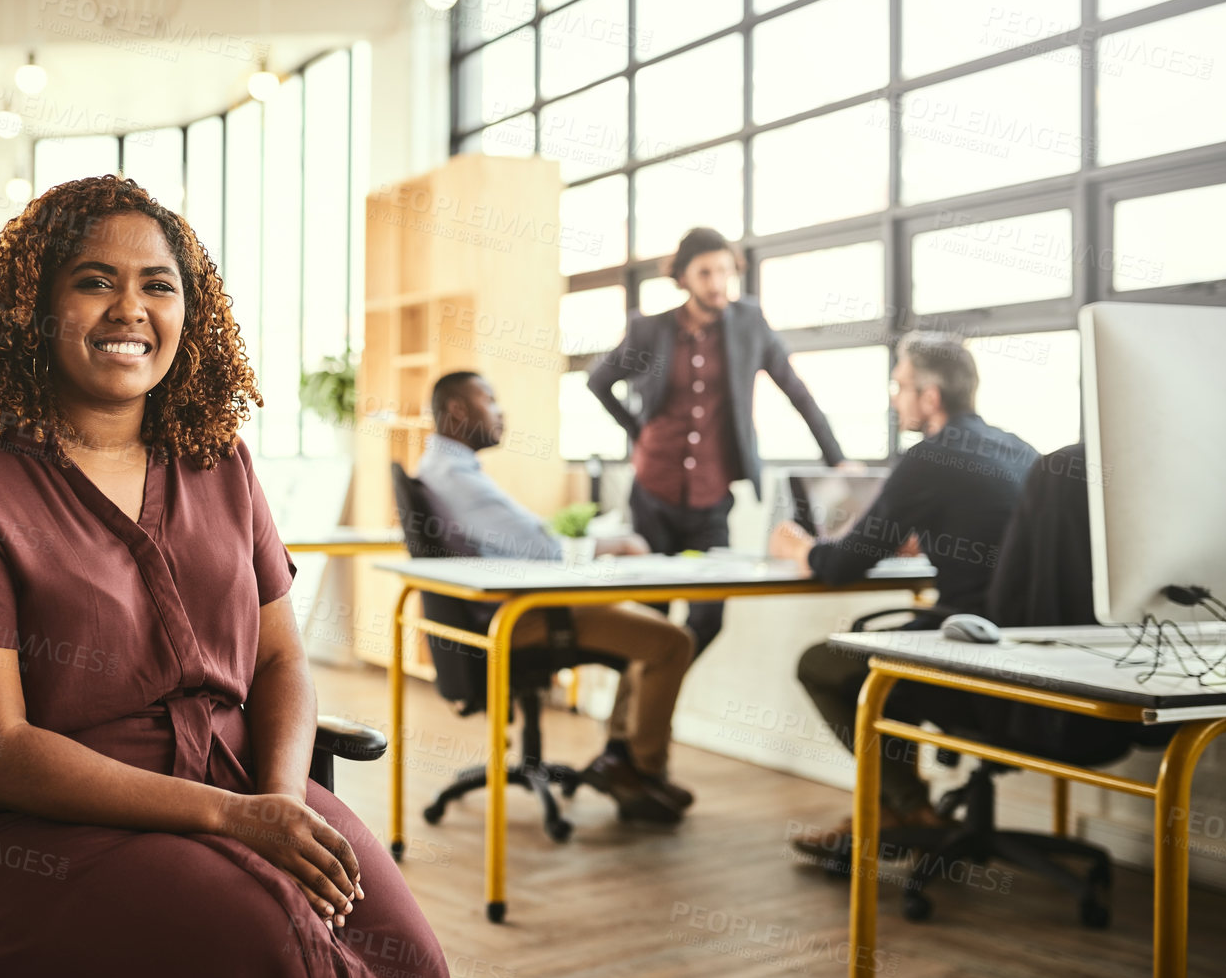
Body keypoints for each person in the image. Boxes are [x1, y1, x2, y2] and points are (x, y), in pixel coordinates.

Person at [0, 175, 464, 978]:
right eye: (94, 280)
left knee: (409, 962)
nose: (129, 309)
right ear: (33, 304)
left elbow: (281, 659)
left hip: (240, 783)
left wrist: (281, 801)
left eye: (158, 284)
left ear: (190, 311)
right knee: (274, 952)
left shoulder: (219, 460)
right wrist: (236, 818)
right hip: (19, 833)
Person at [769, 331, 1038, 859]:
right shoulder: (1019, 448)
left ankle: (909, 808)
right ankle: (889, 814)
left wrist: (800, 548)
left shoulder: (931, 456)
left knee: (823, 665)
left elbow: (843, 566)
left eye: (900, 386)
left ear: (930, 398)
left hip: (967, 650)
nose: (896, 399)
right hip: (1028, 650)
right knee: (891, 656)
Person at [417, 371, 696, 825]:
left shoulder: (446, 469)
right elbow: (542, 548)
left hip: (513, 608)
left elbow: (524, 539)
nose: (500, 410)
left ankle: (624, 760)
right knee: (672, 642)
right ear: (457, 411)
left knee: (645, 627)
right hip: (521, 617)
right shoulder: (455, 476)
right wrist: (616, 543)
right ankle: (641, 772)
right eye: (490, 398)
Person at [587, 227, 850, 659]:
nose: (716, 283)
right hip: (653, 493)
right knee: (649, 612)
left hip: (712, 496)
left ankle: (658, 693)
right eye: (705, 272)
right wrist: (638, 432)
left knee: (709, 614)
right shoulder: (649, 331)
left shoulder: (749, 324)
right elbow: (599, 382)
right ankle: (631, 721)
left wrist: (837, 460)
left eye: (724, 271)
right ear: (683, 277)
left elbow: (796, 391)